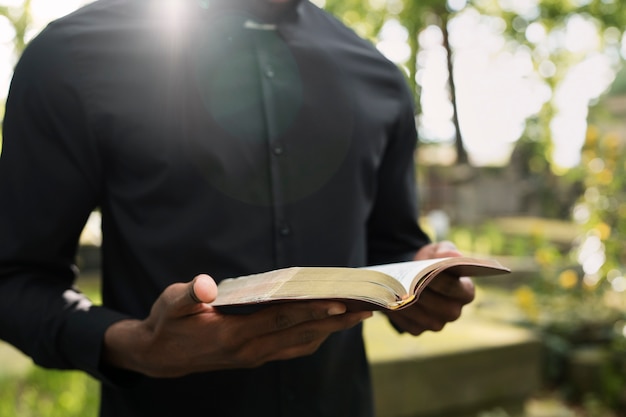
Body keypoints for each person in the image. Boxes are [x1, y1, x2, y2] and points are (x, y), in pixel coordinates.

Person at [0, 0, 475, 416]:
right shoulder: (73, 58)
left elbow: (391, 243)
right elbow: (14, 279)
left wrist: (421, 279)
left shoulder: (380, 79)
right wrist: (135, 345)